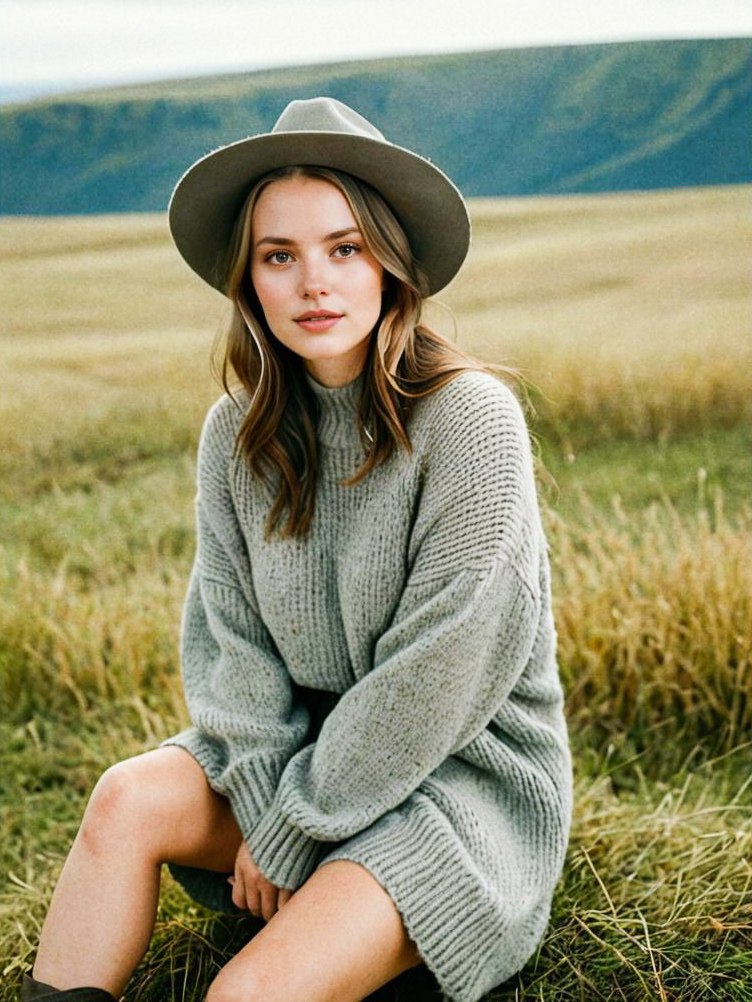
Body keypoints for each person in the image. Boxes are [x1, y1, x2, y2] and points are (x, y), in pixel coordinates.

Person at [22, 97, 573, 1002]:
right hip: (297, 769)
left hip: (455, 783)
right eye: (280, 256)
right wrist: (277, 796)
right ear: (250, 282)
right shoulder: (236, 432)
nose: (314, 281)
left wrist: (290, 826)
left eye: (345, 248)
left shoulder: (472, 420)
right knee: (125, 799)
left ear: (391, 267)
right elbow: (228, 646)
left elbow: (437, 676)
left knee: (242, 996)